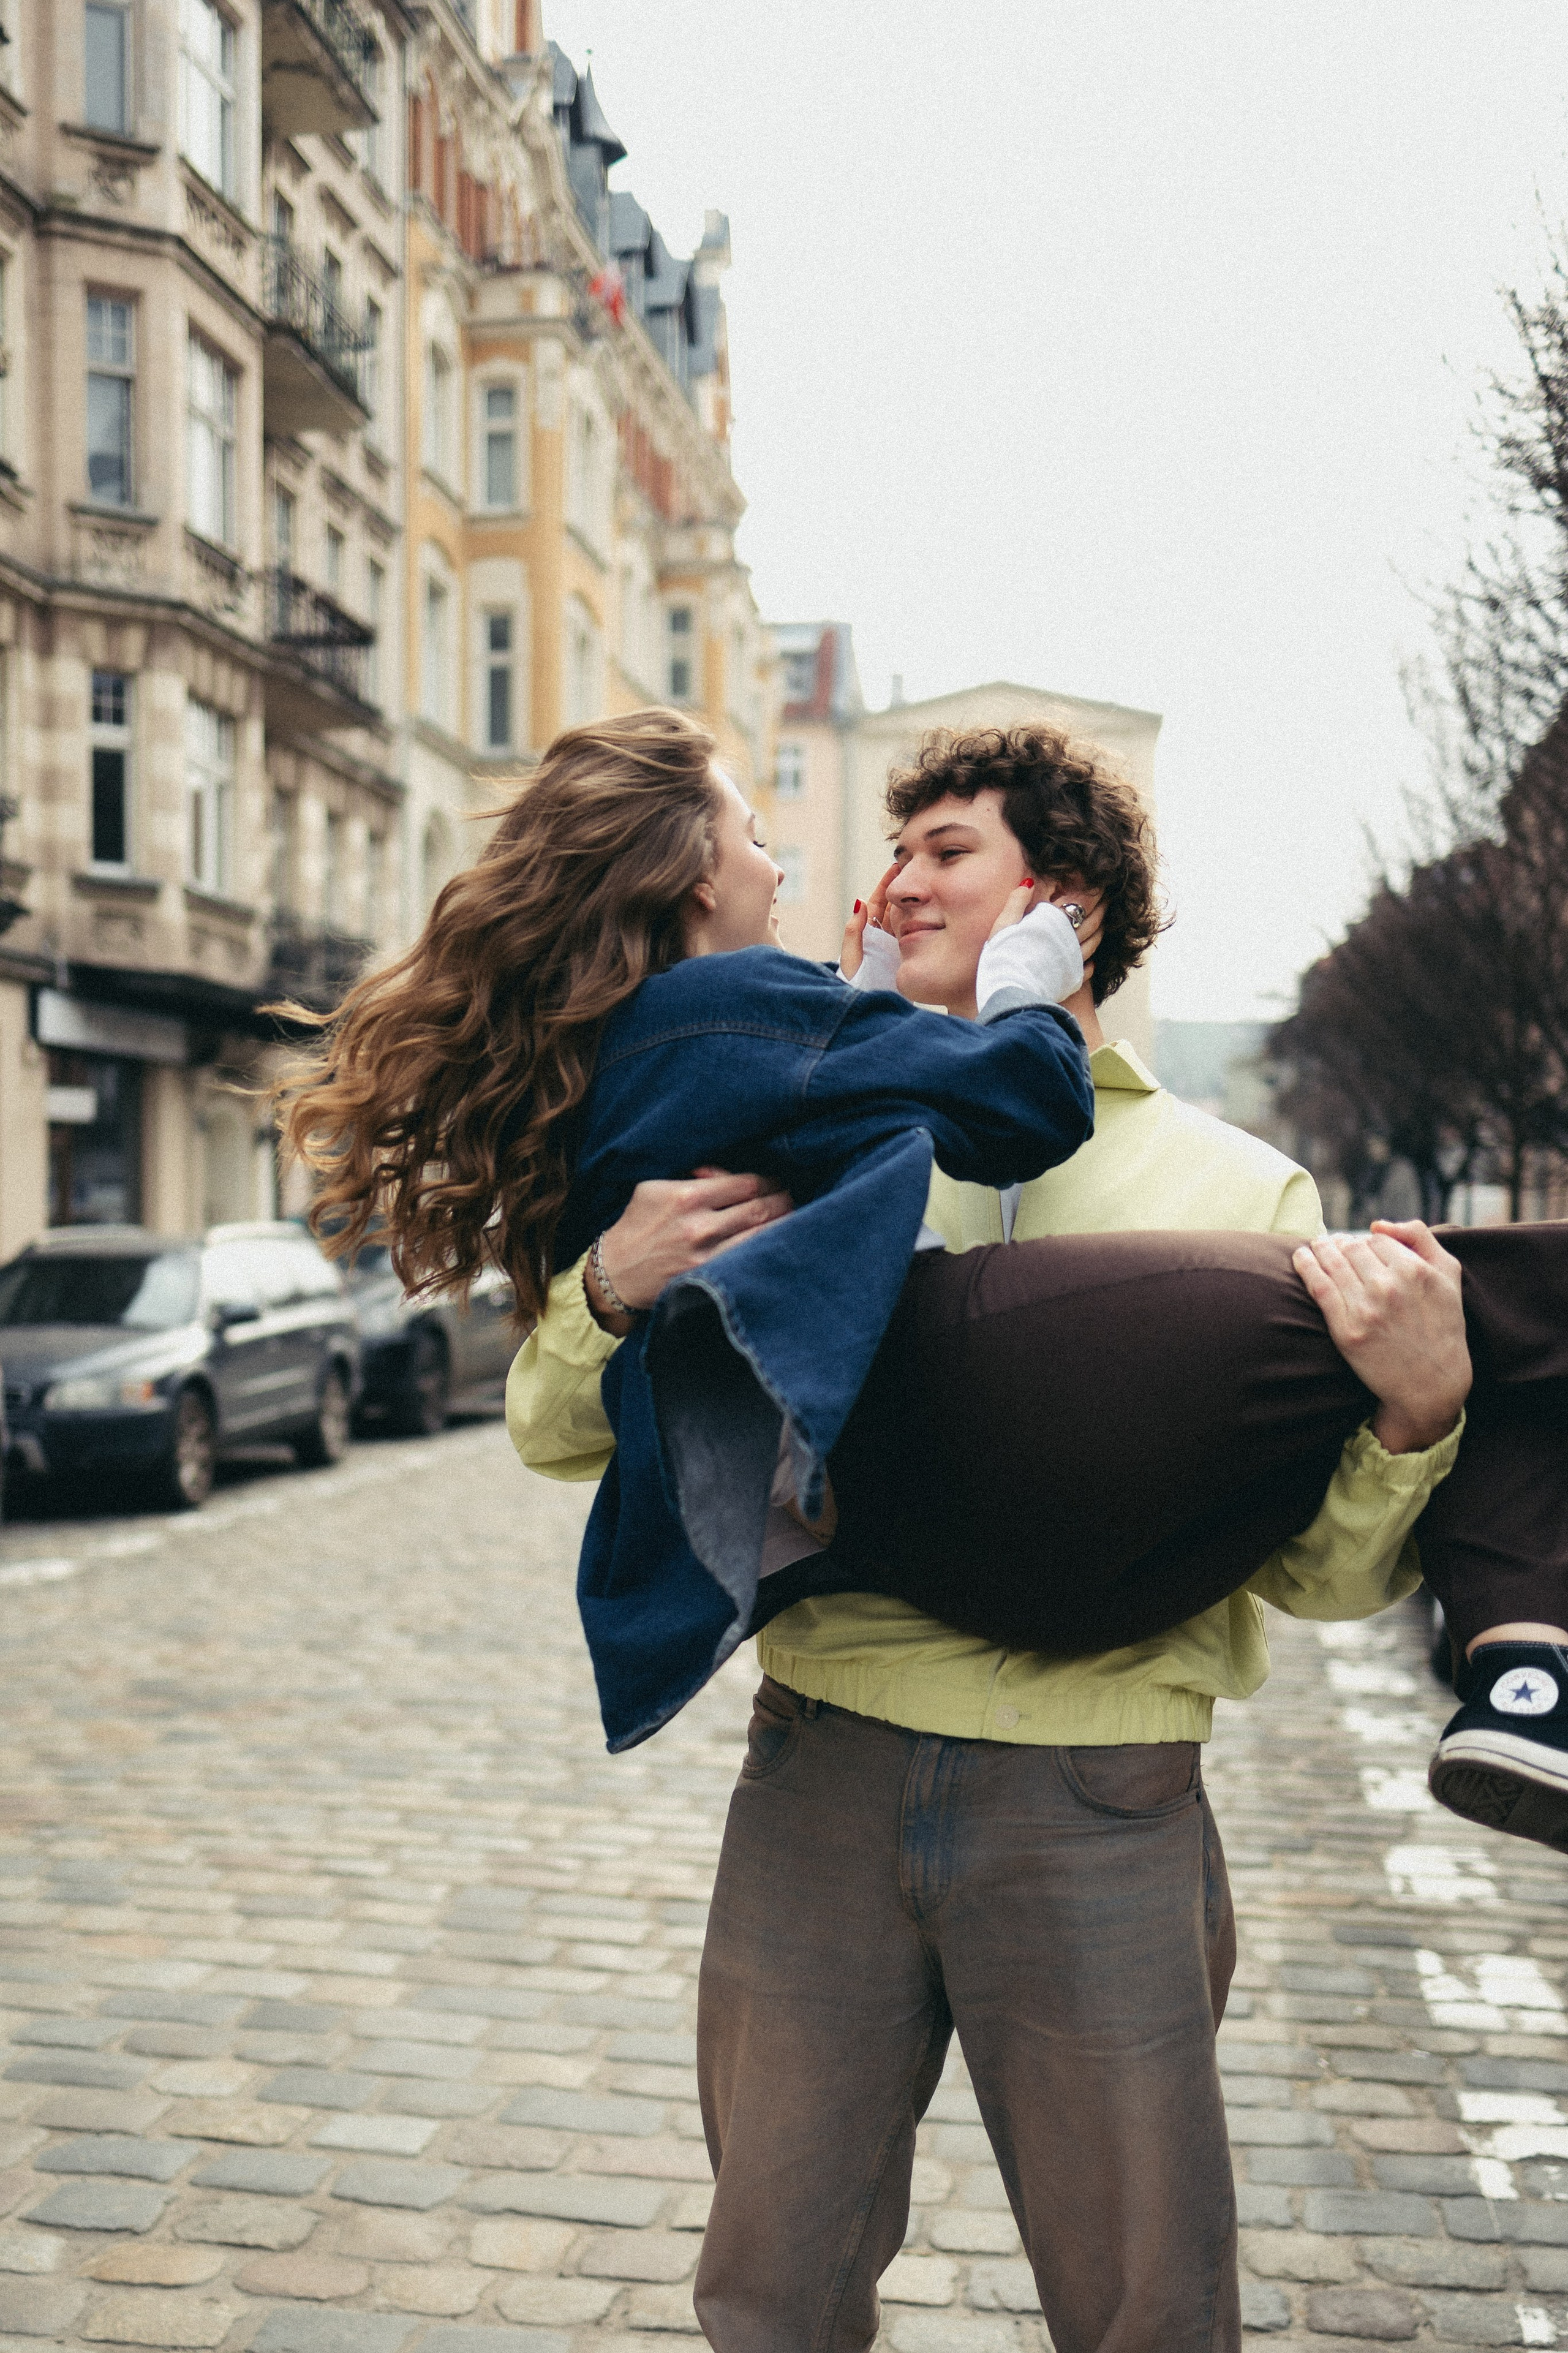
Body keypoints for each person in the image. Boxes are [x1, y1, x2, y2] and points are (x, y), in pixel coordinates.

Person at [495, 715, 1566, 2352]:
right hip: (821, 1773)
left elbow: (1324, 1576)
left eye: (944, 851)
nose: (892, 879)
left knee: (1145, 2301)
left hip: (1105, 1802)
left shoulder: (1245, 1198)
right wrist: (608, 1287)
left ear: (1058, 900)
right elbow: (558, 1428)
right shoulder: (798, 1137)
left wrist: (1418, 1416)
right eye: (892, 849)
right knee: (770, 2286)